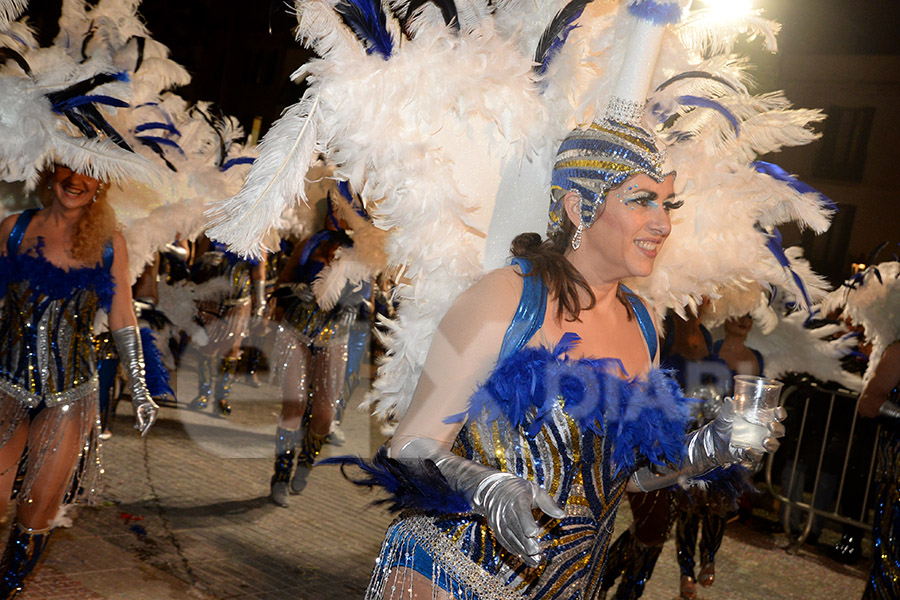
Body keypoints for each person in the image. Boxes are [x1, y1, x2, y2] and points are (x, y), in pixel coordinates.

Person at [329, 118, 785, 600]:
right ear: (578, 206)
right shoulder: (504, 299)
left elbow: (625, 476)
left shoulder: (644, 326)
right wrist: (485, 486)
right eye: (640, 199)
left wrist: (705, 449)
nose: (663, 222)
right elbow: (410, 446)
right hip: (452, 579)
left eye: (667, 203)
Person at [0, 165, 158, 596]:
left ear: (102, 183)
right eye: (71, 169)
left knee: (35, 513)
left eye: (90, 174)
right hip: (6, 385)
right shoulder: (15, 229)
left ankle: (7, 587)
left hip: (69, 396)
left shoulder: (109, 244)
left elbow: (123, 315)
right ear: (52, 171)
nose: (77, 181)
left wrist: (140, 386)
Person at [269, 206, 362, 507]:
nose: (339, 214)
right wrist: (295, 290)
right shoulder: (310, 243)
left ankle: (306, 462)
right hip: (295, 331)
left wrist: (347, 302)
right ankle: (281, 475)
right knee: (294, 404)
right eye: (335, 207)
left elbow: (367, 304)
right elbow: (281, 285)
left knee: (324, 413)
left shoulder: (364, 254)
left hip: (335, 338)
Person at [674, 314, 762, 600]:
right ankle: (686, 571)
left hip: (734, 444)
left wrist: (751, 445)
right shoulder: (710, 347)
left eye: (750, 316)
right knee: (689, 506)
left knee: (720, 506)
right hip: (702, 437)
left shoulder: (756, 357)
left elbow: (757, 406)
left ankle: (709, 557)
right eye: (738, 313)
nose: (743, 321)